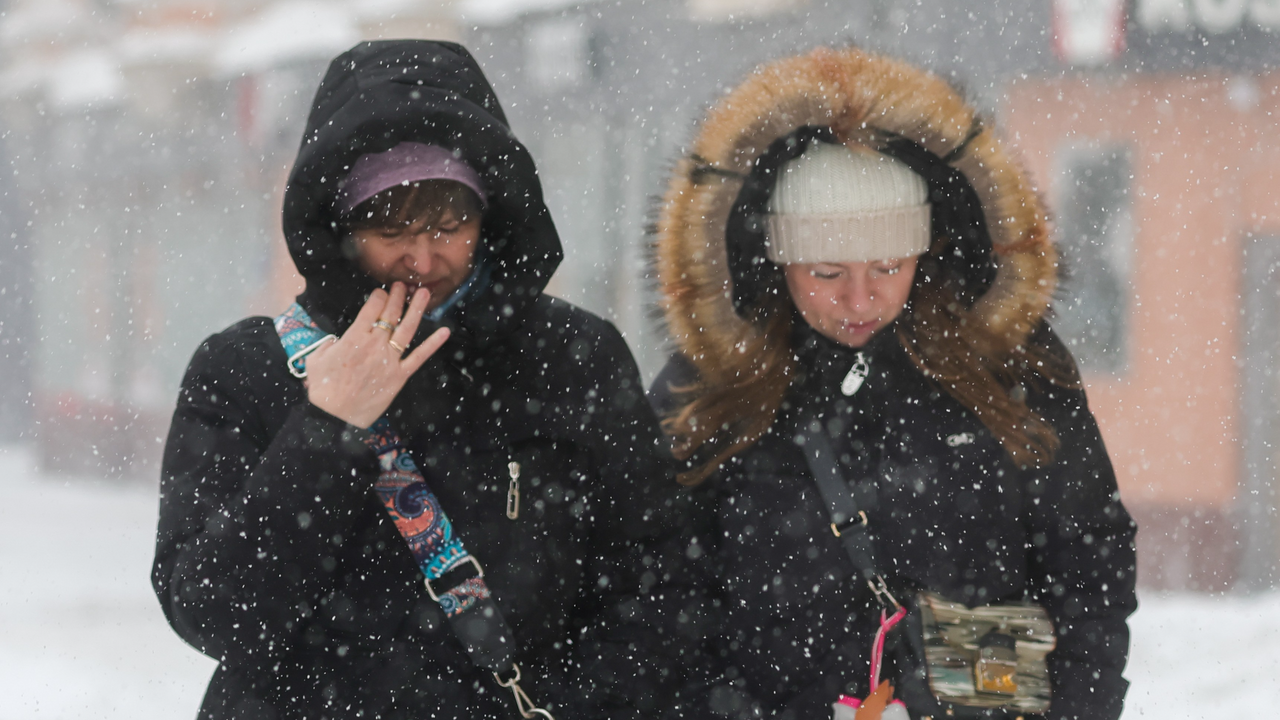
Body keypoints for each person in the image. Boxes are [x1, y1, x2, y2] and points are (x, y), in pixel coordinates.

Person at [153, 40, 684, 720]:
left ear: (488, 218)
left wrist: (569, 701)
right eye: (392, 228)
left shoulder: (572, 358)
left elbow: (661, 591)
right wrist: (326, 428)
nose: (423, 257)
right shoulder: (246, 372)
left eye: (450, 224)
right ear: (340, 225)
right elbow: (214, 612)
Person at [649, 47, 1137, 720]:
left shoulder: (1006, 366)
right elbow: (654, 588)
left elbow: (1089, 562)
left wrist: (1076, 708)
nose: (859, 299)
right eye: (825, 273)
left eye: (887, 266)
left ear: (924, 249)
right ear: (777, 258)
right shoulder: (710, 387)